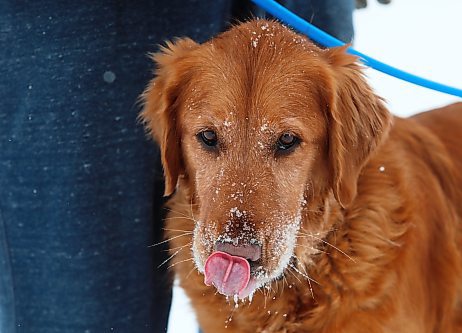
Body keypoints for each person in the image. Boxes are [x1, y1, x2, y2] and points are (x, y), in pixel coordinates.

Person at [0, 1, 355, 332]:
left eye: (286, 141)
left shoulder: (329, 89)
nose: (235, 244)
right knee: (88, 299)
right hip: (77, 18)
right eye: (210, 139)